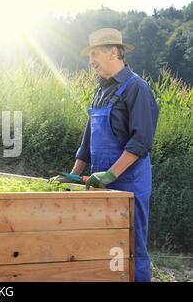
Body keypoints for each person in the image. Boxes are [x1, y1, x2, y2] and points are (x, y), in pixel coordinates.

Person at [51, 28, 159, 282]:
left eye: (94, 54)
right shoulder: (101, 90)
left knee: (132, 247)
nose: (90, 61)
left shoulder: (137, 89)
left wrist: (111, 174)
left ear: (113, 52)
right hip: (101, 183)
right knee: (104, 245)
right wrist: (74, 175)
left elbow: (141, 141)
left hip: (129, 184)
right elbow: (89, 139)